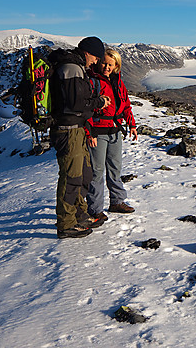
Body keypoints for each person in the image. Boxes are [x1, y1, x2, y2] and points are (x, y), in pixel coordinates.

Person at [50, 36, 111, 239]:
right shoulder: (72, 68)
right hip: (68, 130)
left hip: (77, 130)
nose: (96, 62)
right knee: (72, 177)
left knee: (84, 174)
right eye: (95, 57)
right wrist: (99, 102)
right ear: (87, 52)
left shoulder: (76, 67)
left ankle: (80, 215)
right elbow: (76, 104)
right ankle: (66, 224)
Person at [86, 48, 137, 220]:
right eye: (104, 63)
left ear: (116, 66)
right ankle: (95, 209)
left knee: (115, 168)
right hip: (97, 132)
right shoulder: (92, 81)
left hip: (115, 130)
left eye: (110, 64)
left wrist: (131, 124)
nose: (106, 67)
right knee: (97, 171)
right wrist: (89, 132)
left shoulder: (118, 83)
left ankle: (117, 201)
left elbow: (126, 105)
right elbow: (85, 109)